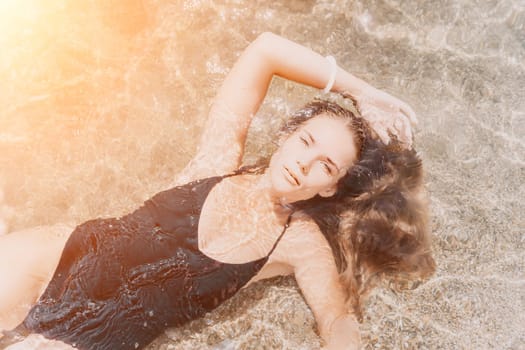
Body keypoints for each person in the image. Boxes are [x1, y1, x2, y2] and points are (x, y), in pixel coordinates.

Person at [0, 32, 434, 350]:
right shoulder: (217, 161)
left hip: (94, 338)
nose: (305, 162)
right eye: (306, 142)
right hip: (53, 259)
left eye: (326, 165)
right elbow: (264, 51)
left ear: (331, 188)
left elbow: (337, 319)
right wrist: (360, 91)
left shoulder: (300, 243)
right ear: (287, 135)